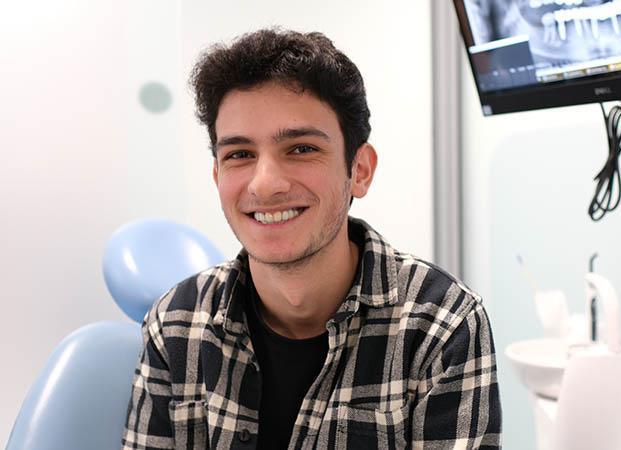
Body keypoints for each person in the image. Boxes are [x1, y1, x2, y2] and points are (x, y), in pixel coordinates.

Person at [122, 27, 501, 449]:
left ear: (359, 170)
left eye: (301, 148)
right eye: (239, 155)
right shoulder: (176, 323)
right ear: (217, 177)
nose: (265, 184)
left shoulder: (442, 326)